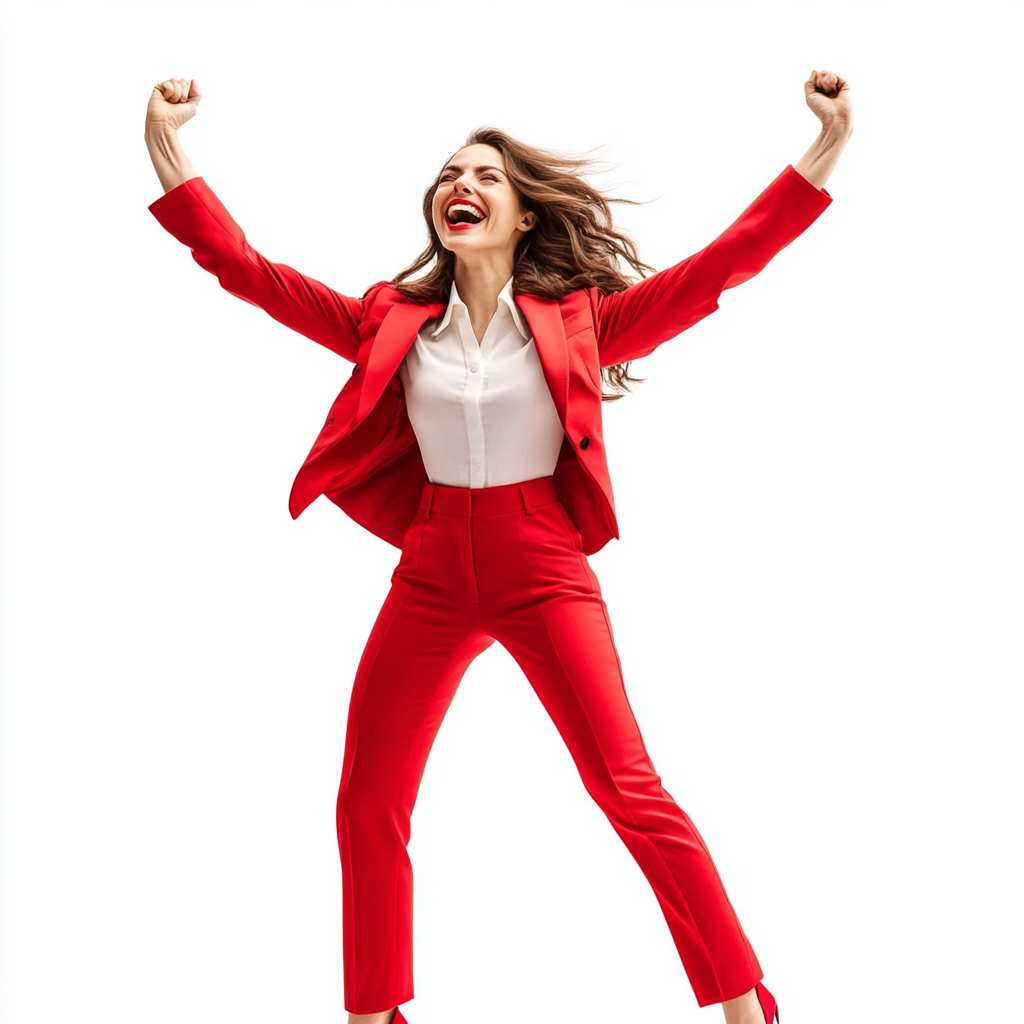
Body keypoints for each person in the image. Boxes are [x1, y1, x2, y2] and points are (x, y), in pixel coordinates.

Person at [144, 69, 852, 1024]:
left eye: (482, 173)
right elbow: (249, 271)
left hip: (543, 566)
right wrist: (167, 149)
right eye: (445, 173)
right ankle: (373, 1011)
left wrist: (825, 148)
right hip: (431, 571)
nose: (457, 183)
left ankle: (741, 1001)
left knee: (628, 789)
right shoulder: (389, 321)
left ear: (522, 215)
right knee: (367, 802)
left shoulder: (582, 322)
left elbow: (724, 262)